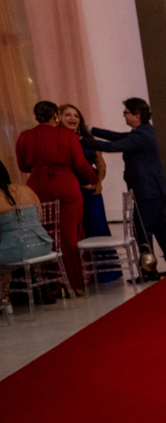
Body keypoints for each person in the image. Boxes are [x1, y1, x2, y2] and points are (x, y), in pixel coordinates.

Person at [82, 97, 166, 278]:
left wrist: (81, 140)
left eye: (126, 113)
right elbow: (117, 136)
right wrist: (91, 130)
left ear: (136, 115)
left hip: (146, 190)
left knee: (142, 230)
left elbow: (112, 146)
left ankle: (149, 271)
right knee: (160, 227)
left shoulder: (140, 135)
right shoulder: (145, 131)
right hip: (156, 188)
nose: (124, 116)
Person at [15, 100, 98, 292]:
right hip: (65, 186)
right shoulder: (67, 135)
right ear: (56, 116)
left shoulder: (24, 136)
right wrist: (95, 179)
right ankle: (75, 284)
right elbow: (80, 163)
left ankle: (53, 286)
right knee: (69, 236)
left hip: (37, 188)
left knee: (46, 234)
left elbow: (23, 166)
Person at [59, 104, 121, 282]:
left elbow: (99, 162)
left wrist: (97, 181)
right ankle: (83, 273)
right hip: (70, 190)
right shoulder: (60, 139)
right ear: (59, 118)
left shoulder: (86, 138)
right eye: (68, 115)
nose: (72, 118)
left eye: (76, 116)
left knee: (97, 226)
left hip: (91, 191)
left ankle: (106, 272)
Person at [0, 158, 53, 305]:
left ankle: (5, 300)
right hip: (42, 246)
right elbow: (40, 219)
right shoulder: (26, 189)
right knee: (23, 245)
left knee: (4, 258)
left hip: (16, 251)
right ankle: (43, 289)